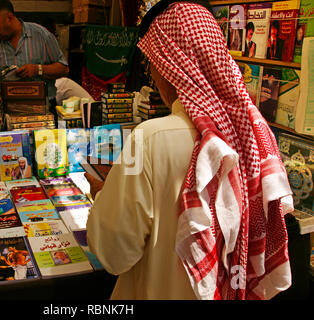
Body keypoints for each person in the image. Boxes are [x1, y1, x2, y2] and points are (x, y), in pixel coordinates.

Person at [85, 0, 293, 300]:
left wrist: (103, 197)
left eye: (153, 63)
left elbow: (114, 254)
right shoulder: (257, 134)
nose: (153, 76)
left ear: (170, 64)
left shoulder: (150, 138)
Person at [0, 0, 69, 120]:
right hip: (9, 114)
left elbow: (64, 69)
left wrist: (37, 69)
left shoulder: (41, 35)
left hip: (43, 111)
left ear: (9, 17)